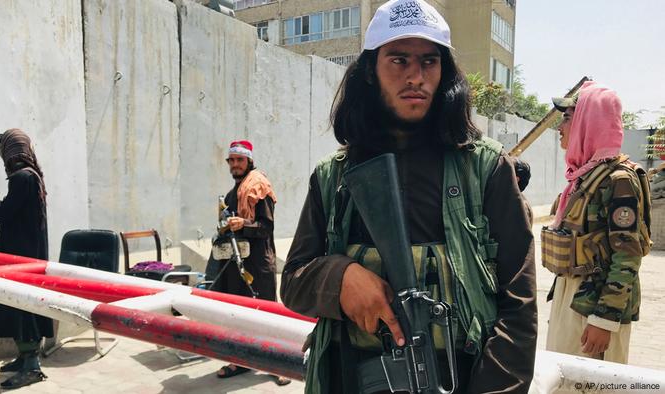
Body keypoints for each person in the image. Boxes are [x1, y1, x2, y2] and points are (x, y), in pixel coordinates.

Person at [280, 1, 537, 392]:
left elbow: (519, 305)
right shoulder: (334, 178)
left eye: (429, 62)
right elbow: (294, 282)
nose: (416, 76)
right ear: (370, 71)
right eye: (398, 60)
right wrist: (341, 278)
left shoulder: (483, 170)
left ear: (443, 71)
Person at [543, 81, 652, 363]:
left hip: (596, 307)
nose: (560, 127)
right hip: (573, 297)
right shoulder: (584, 176)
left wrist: (604, 320)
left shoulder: (619, 181)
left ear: (588, 123)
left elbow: (627, 255)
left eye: (568, 118)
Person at [212, 140, 290, 386]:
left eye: (240, 160)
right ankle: (242, 361)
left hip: (258, 263)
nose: (235, 164)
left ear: (249, 162)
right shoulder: (231, 194)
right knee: (239, 315)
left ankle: (279, 364)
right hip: (236, 264)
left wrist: (242, 224)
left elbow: (266, 227)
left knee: (266, 313)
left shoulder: (258, 188)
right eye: (231, 160)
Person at [0, 128, 53, 389]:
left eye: (2, 151)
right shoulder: (29, 177)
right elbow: (16, 209)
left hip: (20, 257)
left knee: (21, 305)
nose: (1, 156)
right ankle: (24, 358)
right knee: (18, 304)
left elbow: (11, 211)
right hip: (24, 254)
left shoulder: (22, 178)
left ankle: (31, 365)